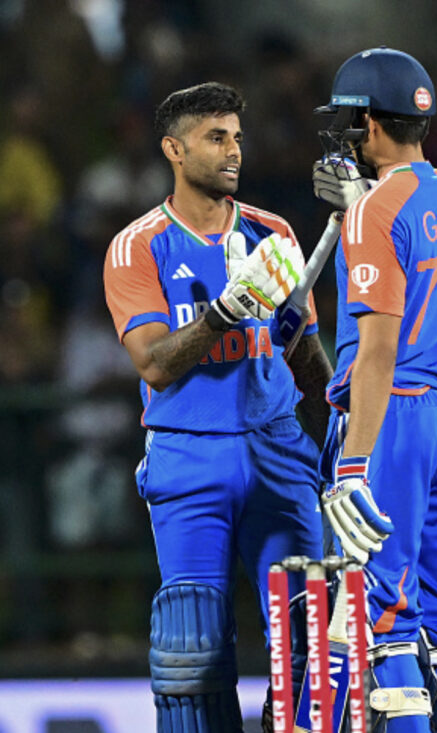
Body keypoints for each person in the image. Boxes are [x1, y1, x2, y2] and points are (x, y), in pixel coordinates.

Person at [102, 82, 332, 731]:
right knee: (191, 649)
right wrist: (227, 310)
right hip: (188, 453)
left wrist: (343, 449)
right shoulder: (138, 245)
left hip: (279, 446)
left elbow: (310, 368)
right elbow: (153, 362)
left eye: (236, 135)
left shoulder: (275, 233)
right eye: (215, 137)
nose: (234, 150)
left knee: (309, 643)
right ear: (175, 149)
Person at [309, 48, 437, 731]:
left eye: (348, 122)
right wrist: (364, 207)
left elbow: (379, 350)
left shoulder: (372, 214)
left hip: (393, 416)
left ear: (368, 124)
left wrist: (353, 464)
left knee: (381, 607)